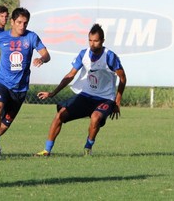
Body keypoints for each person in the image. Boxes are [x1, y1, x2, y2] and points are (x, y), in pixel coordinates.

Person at [35, 23, 127, 156]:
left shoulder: (109, 56)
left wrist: (117, 102)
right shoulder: (83, 54)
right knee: (60, 115)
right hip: (86, 96)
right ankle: (46, 151)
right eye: (90, 40)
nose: (92, 44)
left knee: (95, 118)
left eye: (96, 41)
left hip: (105, 98)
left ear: (102, 41)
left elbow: (123, 78)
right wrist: (53, 93)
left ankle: (87, 148)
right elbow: (70, 75)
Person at [0, 7, 51, 144]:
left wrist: (42, 59)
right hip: (2, 82)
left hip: (20, 89)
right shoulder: (1, 36)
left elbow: (46, 54)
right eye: (19, 22)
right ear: (12, 22)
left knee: (4, 126)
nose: (22, 26)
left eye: (25, 23)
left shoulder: (31, 37)